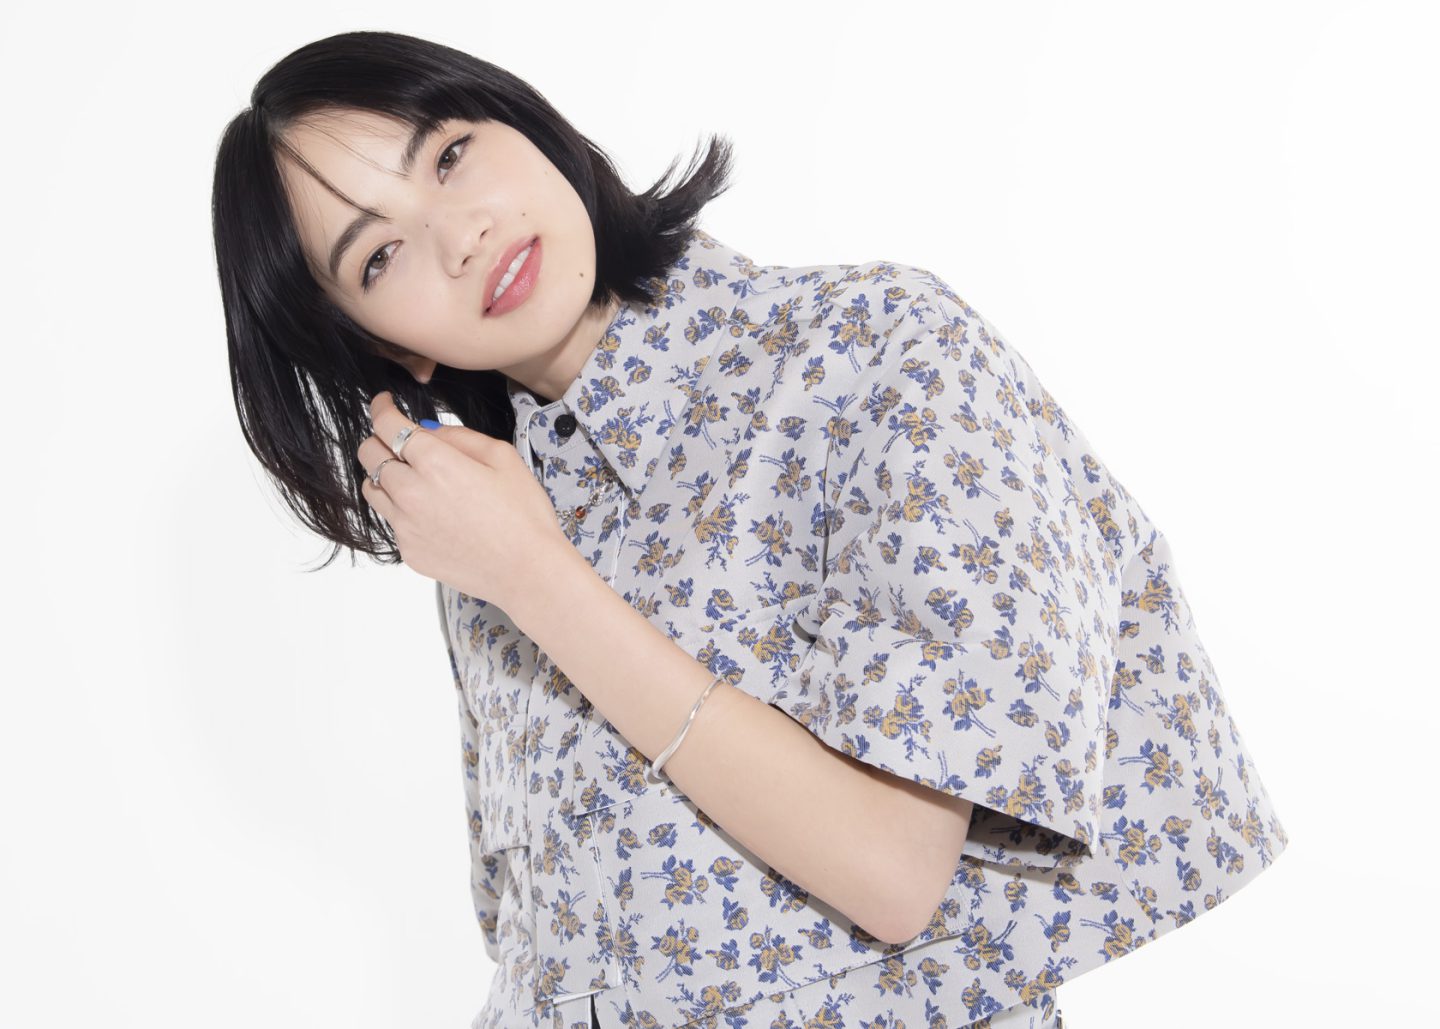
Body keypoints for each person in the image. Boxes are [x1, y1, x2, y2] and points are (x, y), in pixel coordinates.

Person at [211, 30, 1289, 1029]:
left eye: (449, 156)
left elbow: (892, 873)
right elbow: (540, 946)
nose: (459, 237)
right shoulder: (488, 522)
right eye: (378, 258)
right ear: (381, 347)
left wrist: (536, 578)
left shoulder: (874, 350)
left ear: (528, 127)